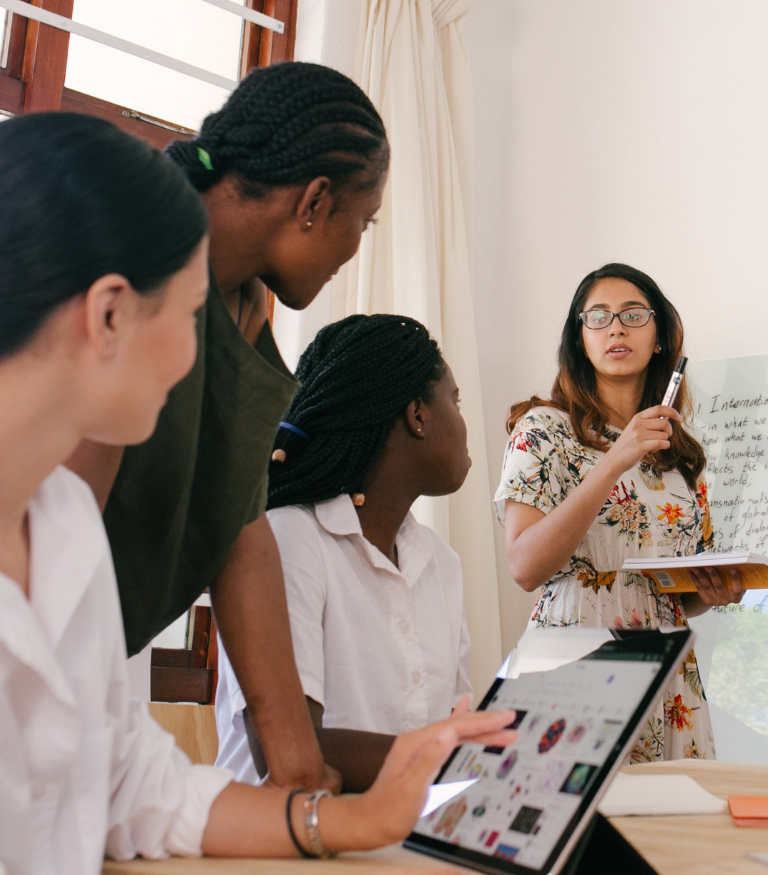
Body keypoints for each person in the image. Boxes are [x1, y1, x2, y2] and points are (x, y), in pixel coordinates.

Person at [0, 111, 516, 873]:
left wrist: (355, 815)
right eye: (186, 317)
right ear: (109, 314)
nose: (202, 358)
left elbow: (140, 785)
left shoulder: (67, 523)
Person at [63, 61, 390, 793]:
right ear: (313, 201)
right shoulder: (139, 252)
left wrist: (299, 767)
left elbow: (242, 536)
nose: (354, 249)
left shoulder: (241, 309)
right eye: (362, 223)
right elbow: (61, 527)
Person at [216, 314, 474, 792]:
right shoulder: (290, 539)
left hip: (397, 839)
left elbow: (456, 725)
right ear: (417, 415)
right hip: (276, 849)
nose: (463, 422)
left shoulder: (441, 562)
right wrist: (458, 757)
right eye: (455, 401)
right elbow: (285, 752)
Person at [497, 263, 743, 762]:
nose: (615, 327)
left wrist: (710, 595)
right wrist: (614, 460)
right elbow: (524, 567)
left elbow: (672, 592)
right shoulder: (543, 429)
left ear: (658, 339)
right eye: (598, 317)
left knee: (667, 830)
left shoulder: (681, 456)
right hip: (576, 656)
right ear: (579, 339)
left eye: (633, 314)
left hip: (667, 668)